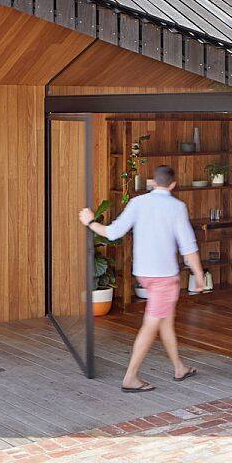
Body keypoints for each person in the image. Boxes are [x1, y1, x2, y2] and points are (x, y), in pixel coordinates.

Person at [79, 164, 206, 392]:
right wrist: (198, 275)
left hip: (144, 273)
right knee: (151, 325)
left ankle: (179, 367)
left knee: (165, 320)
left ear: (154, 182)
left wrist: (90, 221)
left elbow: (113, 232)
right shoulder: (177, 207)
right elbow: (188, 246)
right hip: (164, 277)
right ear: (173, 184)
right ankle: (130, 377)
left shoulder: (138, 202)